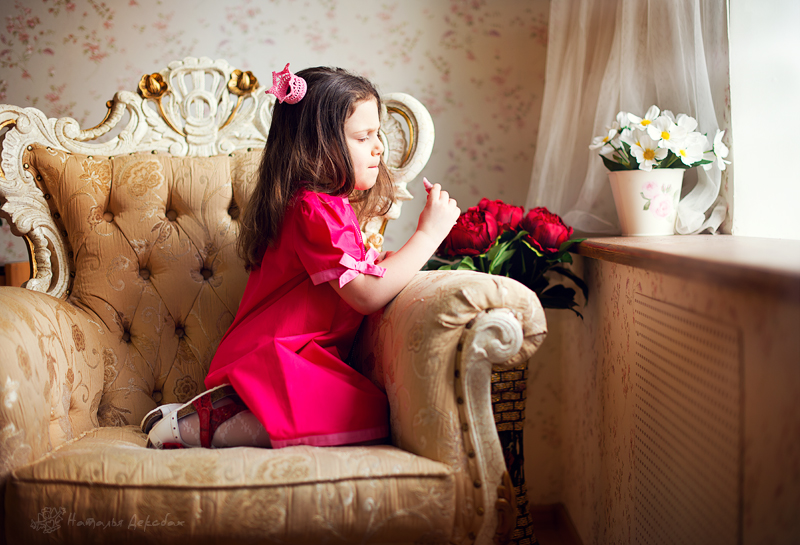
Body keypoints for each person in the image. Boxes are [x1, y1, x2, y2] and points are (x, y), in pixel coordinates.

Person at [143, 64, 460, 449]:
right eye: (364, 137)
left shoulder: (328, 207)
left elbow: (363, 277)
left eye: (377, 134)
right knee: (365, 415)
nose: (379, 146)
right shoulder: (315, 210)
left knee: (368, 411)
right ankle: (191, 426)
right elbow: (365, 294)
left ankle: (197, 414)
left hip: (297, 356)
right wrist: (429, 234)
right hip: (277, 357)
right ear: (317, 147)